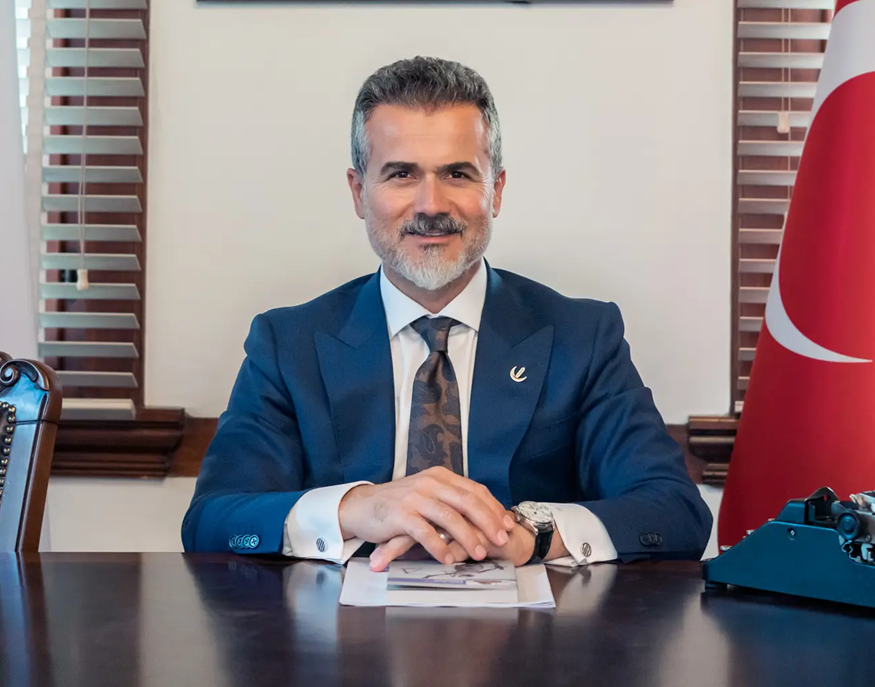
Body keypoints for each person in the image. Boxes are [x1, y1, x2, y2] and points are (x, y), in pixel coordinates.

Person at [182, 56, 712, 570]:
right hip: (339, 624)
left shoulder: (582, 337)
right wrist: (357, 508)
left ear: (495, 190)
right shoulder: (287, 344)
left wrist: (531, 533)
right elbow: (212, 520)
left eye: (457, 173)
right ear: (359, 192)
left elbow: (675, 512)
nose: (431, 205)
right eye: (401, 174)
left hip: (533, 627)